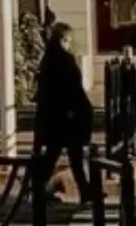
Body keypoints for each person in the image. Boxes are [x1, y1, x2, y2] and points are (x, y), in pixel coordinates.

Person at [30, 21, 94, 203]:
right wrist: (83, 110)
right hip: (67, 116)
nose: (69, 44)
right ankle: (82, 190)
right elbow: (74, 89)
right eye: (68, 40)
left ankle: (40, 190)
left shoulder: (47, 59)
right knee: (72, 155)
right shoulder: (65, 60)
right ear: (64, 39)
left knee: (55, 154)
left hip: (52, 116)